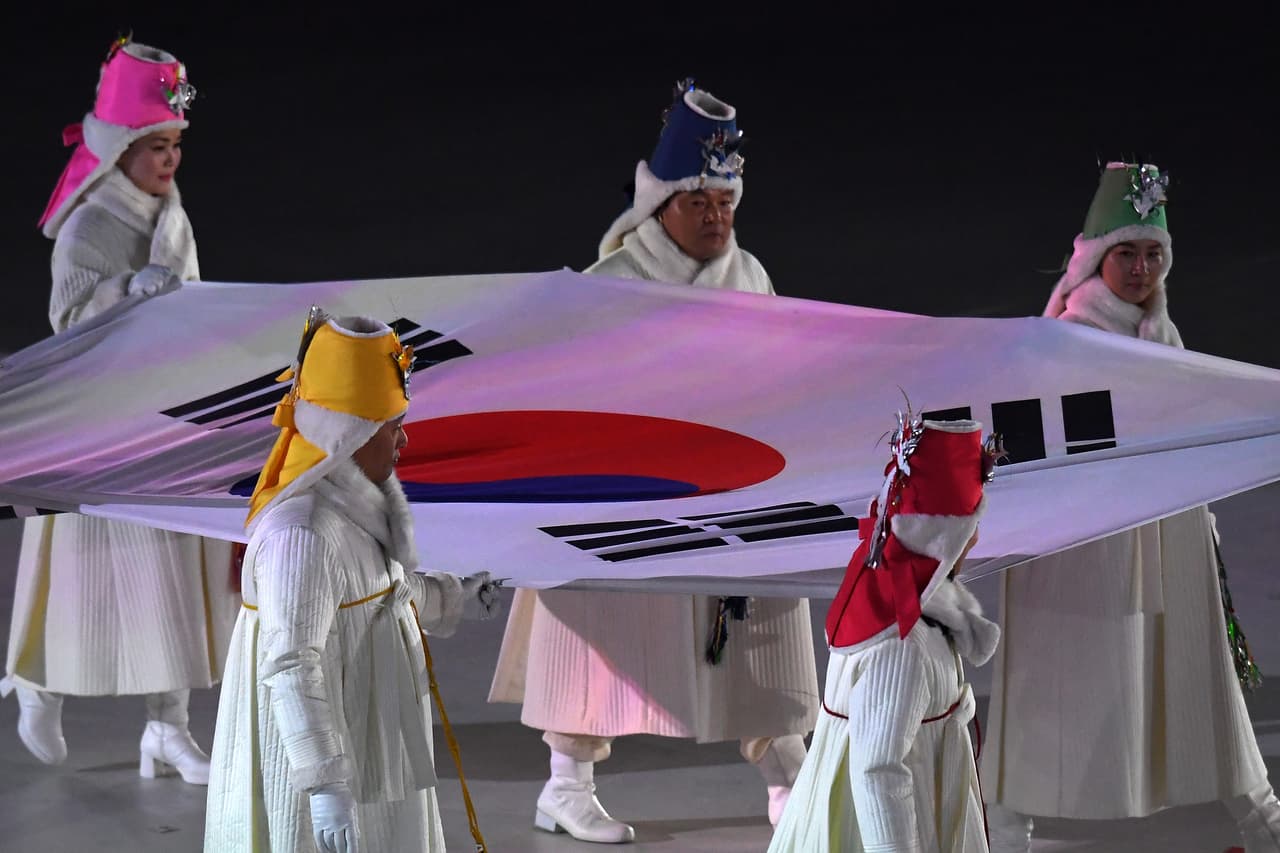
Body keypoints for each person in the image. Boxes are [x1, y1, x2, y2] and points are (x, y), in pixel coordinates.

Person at [489, 80, 818, 843]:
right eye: (699, 202)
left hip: (732, 491)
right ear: (660, 205)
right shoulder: (609, 289)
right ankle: (565, 783)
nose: (715, 217)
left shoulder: (752, 277)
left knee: (757, 623)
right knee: (594, 620)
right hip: (626, 495)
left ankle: (787, 773)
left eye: (725, 203)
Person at [980, 162, 1280, 852]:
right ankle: (1005, 828)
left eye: (1153, 253)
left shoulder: (1159, 333)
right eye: (1127, 252)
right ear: (1095, 258)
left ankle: (1260, 819)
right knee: (1047, 687)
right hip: (1081, 544)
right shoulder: (1064, 339)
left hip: (1167, 535)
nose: (1141, 268)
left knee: (1196, 677)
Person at [1, 36, 237, 784]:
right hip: (98, 422)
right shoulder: (88, 227)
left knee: (170, 567)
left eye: (175, 145)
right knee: (84, 576)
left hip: (158, 413)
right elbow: (67, 320)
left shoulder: (174, 216)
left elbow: (188, 293)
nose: (169, 160)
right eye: (155, 145)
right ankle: (38, 684)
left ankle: (166, 727)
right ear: (121, 146)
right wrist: (120, 299)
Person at [203, 309, 497, 853]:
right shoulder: (304, 534)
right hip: (324, 758)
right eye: (391, 426)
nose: (403, 439)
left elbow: (383, 595)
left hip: (371, 734)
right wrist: (325, 785)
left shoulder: (358, 505)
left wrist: (453, 595)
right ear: (349, 434)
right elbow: (292, 663)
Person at [768, 414, 998, 852]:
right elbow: (877, 771)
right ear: (939, 537)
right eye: (966, 530)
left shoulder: (904, 603)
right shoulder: (900, 644)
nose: (973, 543)